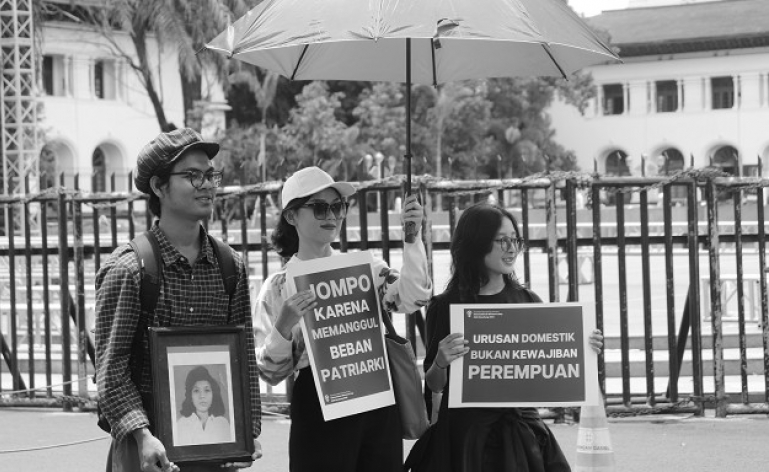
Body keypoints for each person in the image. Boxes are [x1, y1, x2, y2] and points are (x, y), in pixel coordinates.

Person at [95, 128, 261, 472]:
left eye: (210, 174)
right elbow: (111, 372)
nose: (207, 185)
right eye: (192, 175)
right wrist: (142, 436)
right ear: (159, 186)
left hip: (214, 448)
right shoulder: (128, 270)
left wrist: (245, 430)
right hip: (147, 453)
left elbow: (241, 359)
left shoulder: (231, 266)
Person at [253, 166, 432, 472]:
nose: (332, 216)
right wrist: (284, 326)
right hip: (319, 408)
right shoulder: (279, 286)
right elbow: (270, 371)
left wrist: (412, 239)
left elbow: (414, 297)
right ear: (291, 216)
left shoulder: (367, 269)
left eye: (338, 206)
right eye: (320, 207)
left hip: (376, 399)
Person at [406, 202, 603, 472]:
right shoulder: (445, 306)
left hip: (524, 435)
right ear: (476, 243)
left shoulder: (528, 301)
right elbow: (434, 386)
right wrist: (440, 362)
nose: (511, 248)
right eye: (502, 240)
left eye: (515, 240)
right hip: (467, 439)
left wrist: (584, 348)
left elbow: (551, 365)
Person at [177, 366, 232, 446]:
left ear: (213, 394)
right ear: (190, 396)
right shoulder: (181, 424)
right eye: (196, 391)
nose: (202, 396)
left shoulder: (222, 423)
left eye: (207, 390)